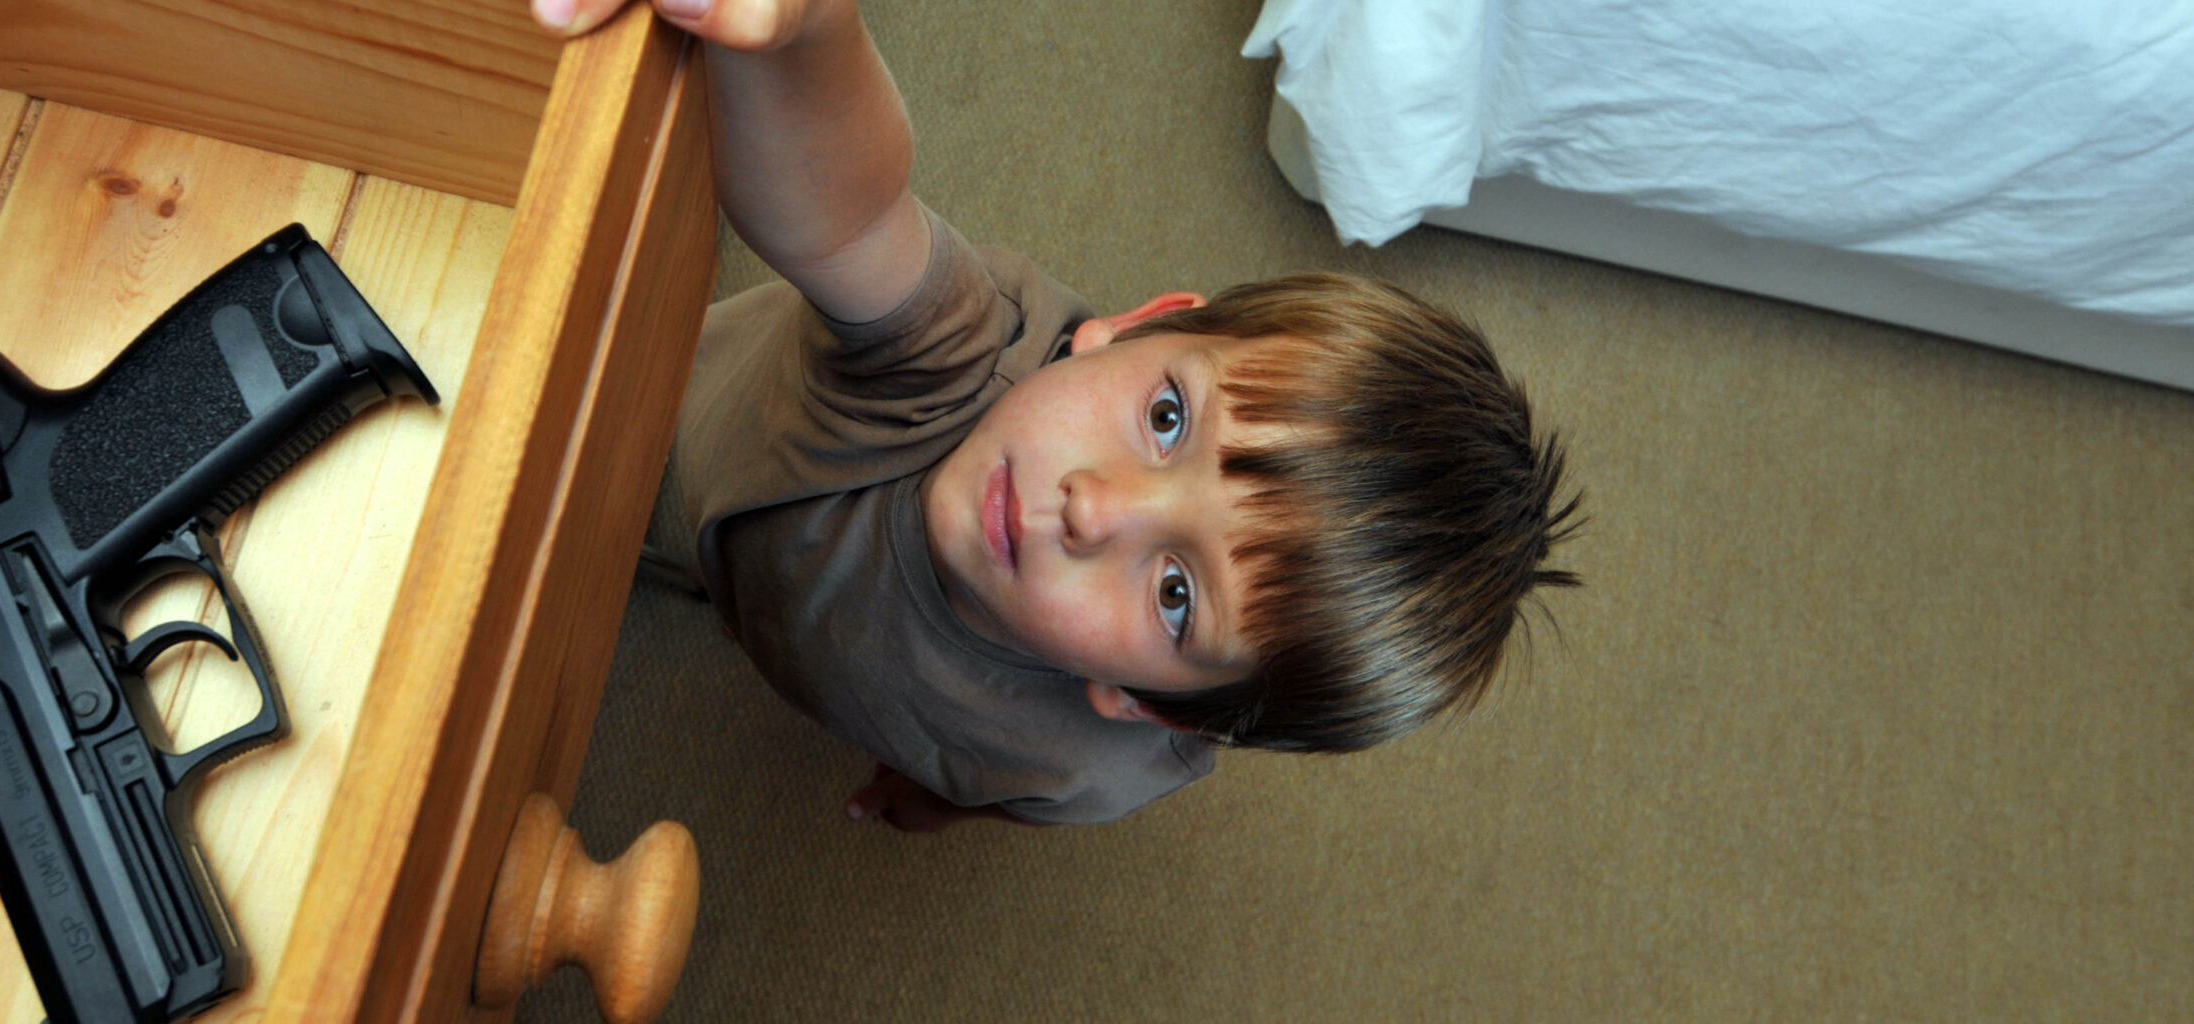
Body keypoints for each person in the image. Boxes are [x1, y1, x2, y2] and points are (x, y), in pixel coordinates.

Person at [537, 0, 1582, 830]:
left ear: (1147, 705)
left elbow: (1014, 789)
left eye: (1176, 595)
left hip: (787, 623)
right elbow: (848, 213)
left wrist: (944, 792)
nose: (1095, 507)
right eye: (1168, 419)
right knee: (570, 498)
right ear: (1132, 327)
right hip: (660, 406)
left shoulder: (1091, 770)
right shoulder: (961, 353)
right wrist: (808, 31)